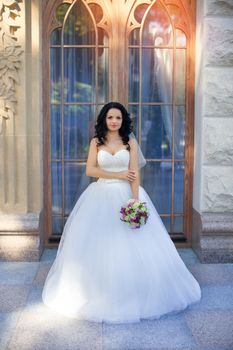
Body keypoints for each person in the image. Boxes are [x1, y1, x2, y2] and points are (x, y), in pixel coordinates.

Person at [42, 101, 201, 323]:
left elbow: (134, 173)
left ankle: (135, 290)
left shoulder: (130, 142)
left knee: (134, 243)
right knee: (101, 245)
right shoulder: (96, 142)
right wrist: (118, 176)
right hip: (100, 195)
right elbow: (90, 169)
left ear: (123, 120)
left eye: (118, 117)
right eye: (110, 117)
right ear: (104, 120)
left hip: (127, 195)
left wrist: (135, 201)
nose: (114, 121)